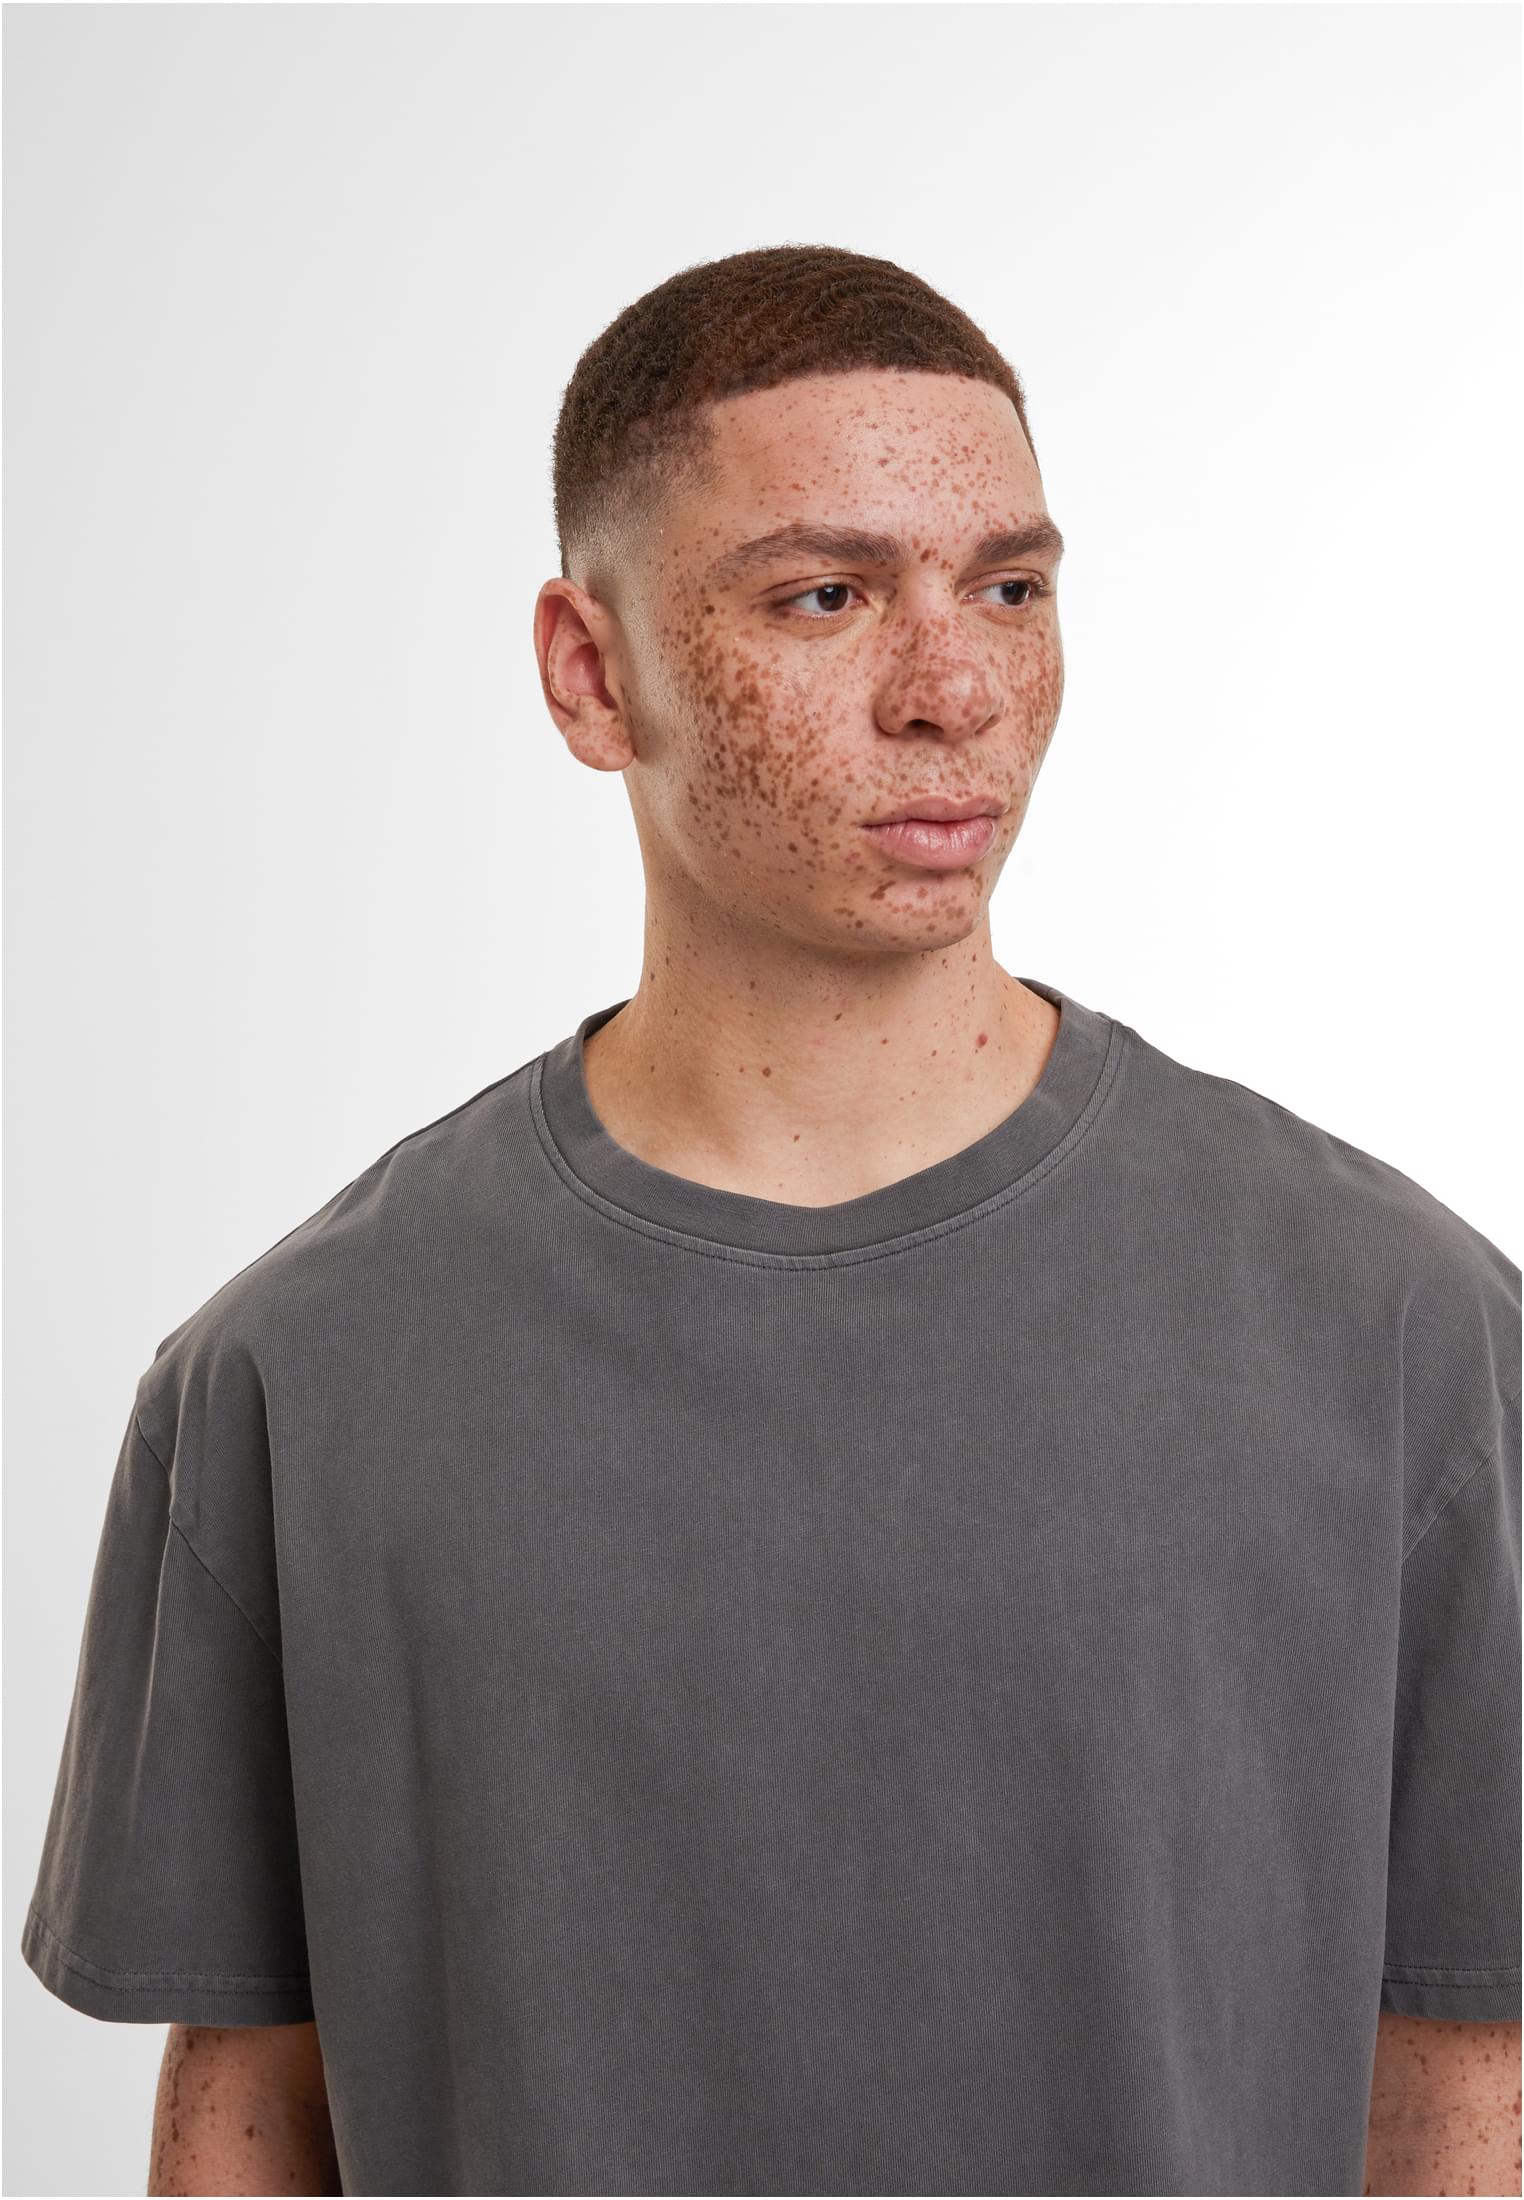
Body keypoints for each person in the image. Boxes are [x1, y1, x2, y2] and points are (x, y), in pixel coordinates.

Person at [20, 243, 1520, 2199]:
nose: (955, 691)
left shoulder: (1399, 1327)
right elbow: (251, 2113)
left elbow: (1462, 2087)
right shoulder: (294, 1379)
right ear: (592, 673)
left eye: (1011, 587)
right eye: (826, 594)